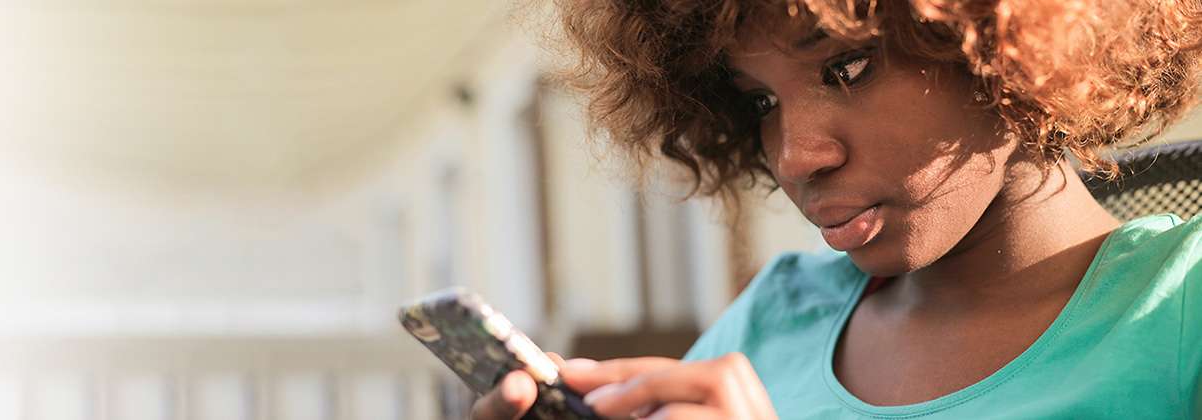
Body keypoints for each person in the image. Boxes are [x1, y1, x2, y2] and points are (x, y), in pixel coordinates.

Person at [476, 0, 1202, 418]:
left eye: (846, 69)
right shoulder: (775, 315)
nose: (796, 156)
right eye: (760, 103)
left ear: (1003, 45)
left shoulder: (1182, 310)